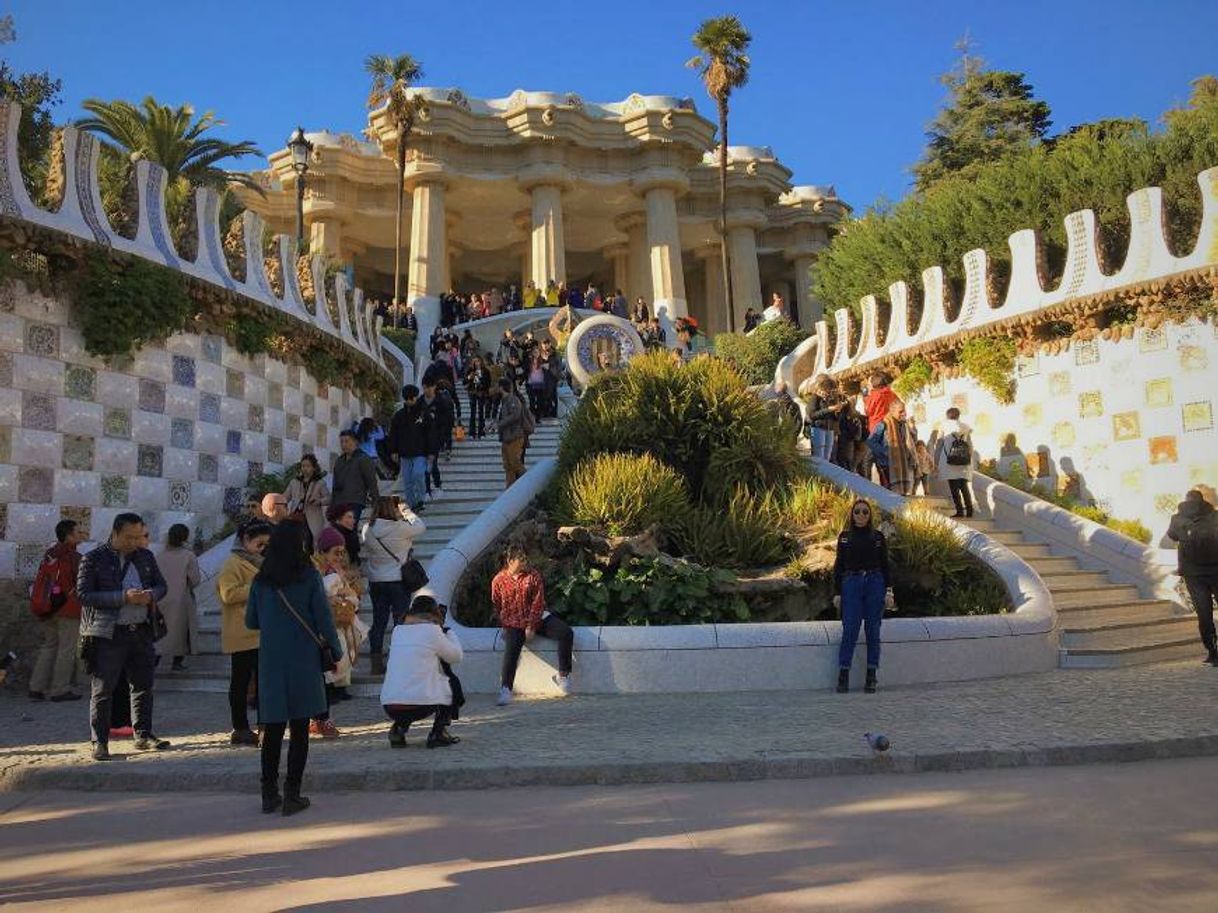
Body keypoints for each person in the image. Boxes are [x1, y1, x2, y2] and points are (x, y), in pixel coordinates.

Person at [246, 522, 343, 815]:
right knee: (300, 728)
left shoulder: (261, 581)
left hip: (271, 661)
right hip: (303, 658)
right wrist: (336, 652)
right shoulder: (309, 576)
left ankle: (268, 794)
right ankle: (292, 794)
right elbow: (324, 619)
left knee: (272, 729)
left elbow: (251, 621)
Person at [77, 513, 170, 761]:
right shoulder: (93, 559)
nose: (134, 542)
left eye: (138, 537)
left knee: (143, 685)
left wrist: (149, 595)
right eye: (129, 537)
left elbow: (162, 586)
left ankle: (143, 733)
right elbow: (84, 595)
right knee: (103, 689)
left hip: (140, 630)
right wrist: (123, 597)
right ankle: (100, 741)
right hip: (108, 633)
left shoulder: (146, 557)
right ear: (115, 533)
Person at [491, 548, 574, 705]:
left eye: (525, 559)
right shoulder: (498, 580)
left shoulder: (533, 576)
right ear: (510, 561)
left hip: (537, 618)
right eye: (520, 560)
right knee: (511, 649)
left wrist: (531, 626)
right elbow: (497, 604)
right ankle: (506, 688)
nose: (524, 563)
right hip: (513, 622)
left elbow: (538, 602)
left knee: (565, 632)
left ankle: (563, 675)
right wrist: (504, 624)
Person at [380, 594, 464, 748]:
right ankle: (438, 733)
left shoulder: (398, 631)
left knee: (409, 684)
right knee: (452, 684)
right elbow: (455, 657)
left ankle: (398, 729)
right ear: (434, 613)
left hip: (390, 704)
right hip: (420, 706)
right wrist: (448, 632)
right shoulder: (432, 631)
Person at [217, 520, 273, 746]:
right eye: (259, 544)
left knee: (265, 682)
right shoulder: (233, 563)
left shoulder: (266, 563)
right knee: (240, 682)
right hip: (242, 631)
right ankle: (240, 727)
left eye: (267, 544)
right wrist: (257, 587)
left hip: (264, 632)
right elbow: (227, 594)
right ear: (245, 541)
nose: (263, 548)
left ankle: (266, 724)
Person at [833, 499, 893, 694]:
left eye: (865, 512)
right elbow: (839, 566)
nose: (860, 515)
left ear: (870, 515)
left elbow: (885, 565)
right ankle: (843, 674)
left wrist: (889, 591)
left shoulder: (877, 537)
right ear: (852, 514)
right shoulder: (844, 537)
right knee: (850, 628)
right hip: (852, 583)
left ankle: (871, 675)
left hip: (874, 582)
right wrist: (837, 593)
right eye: (857, 512)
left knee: (873, 630)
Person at [362, 496, 427, 675]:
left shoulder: (368, 529)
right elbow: (421, 526)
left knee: (379, 621)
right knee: (400, 620)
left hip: (376, 581)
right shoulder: (399, 527)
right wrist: (406, 511)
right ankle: (399, 659)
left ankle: (376, 662)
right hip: (398, 580)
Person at [28, 519, 85, 702]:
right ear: (69, 535)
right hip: (68, 610)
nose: (81, 534)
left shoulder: (50, 554)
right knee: (66, 649)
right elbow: (82, 584)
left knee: (49, 646)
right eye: (78, 531)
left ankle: (36, 688)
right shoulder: (74, 557)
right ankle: (60, 689)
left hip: (48, 608)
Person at [313, 527, 365, 708]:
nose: (340, 557)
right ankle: (331, 687)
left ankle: (341, 686)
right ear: (323, 551)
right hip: (329, 618)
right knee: (335, 652)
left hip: (343, 616)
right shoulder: (316, 568)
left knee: (346, 651)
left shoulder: (336, 568)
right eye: (336, 553)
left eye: (342, 553)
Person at [1167, 489, 1218, 665]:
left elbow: (1172, 536)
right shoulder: (1214, 515)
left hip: (1193, 573)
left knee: (1204, 614)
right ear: (1202, 500)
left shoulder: (1177, 518)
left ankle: (1213, 652)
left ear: (1186, 500)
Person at [157, 524, 201, 672]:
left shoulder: (159, 556)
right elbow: (195, 579)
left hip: (162, 598)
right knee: (181, 630)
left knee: (161, 629)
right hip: (182, 598)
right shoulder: (188, 556)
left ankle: (155, 660)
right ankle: (177, 661)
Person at [389, 385, 429, 511]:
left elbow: (430, 432)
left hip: (420, 451)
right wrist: (394, 450)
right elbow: (393, 433)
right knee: (407, 480)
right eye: (407, 399)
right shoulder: (399, 416)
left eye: (412, 398)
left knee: (418, 474)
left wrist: (431, 451)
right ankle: (413, 504)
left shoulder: (424, 413)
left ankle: (421, 498)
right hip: (404, 452)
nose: (410, 401)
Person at [867, 400, 919, 495]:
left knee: (901, 495)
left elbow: (912, 442)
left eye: (904, 411)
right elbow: (871, 441)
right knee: (888, 494)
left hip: (901, 465)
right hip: (886, 464)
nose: (904, 414)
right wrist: (886, 451)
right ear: (892, 411)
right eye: (900, 411)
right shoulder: (884, 424)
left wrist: (913, 429)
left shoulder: (904, 425)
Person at [284, 454, 331, 552]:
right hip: (296, 516)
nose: (305, 469)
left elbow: (328, 498)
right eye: (303, 466)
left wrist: (319, 501)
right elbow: (285, 497)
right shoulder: (294, 482)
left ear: (314, 468)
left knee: (310, 543)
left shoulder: (320, 482)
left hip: (312, 517)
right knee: (296, 542)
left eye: (308, 466)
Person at [934, 407, 975, 518]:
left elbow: (938, 444)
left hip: (949, 461)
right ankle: (970, 510)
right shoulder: (965, 427)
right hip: (963, 461)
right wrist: (969, 459)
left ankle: (960, 510)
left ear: (947, 416)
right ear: (958, 415)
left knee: (954, 487)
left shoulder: (943, 426)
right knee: (963, 486)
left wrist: (936, 461)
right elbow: (970, 445)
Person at [330, 430, 379, 522]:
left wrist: (376, 504)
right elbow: (335, 484)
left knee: (350, 531)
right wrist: (332, 505)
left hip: (355, 502)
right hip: (340, 502)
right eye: (342, 442)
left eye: (347, 441)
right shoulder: (339, 461)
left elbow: (372, 482)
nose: (344, 445)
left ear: (355, 442)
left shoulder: (364, 459)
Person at [497, 377, 531, 488]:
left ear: (501, 388)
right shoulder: (504, 401)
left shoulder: (513, 400)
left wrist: (501, 423)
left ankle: (530, 483)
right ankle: (510, 489)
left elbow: (515, 415)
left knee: (514, 462)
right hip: (506, 437)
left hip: (514, 436)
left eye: (497, 386)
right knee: (508, 465)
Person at [803, 374, 847, 461]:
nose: (828, 393)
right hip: (818, 428)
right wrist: (828, 409)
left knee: (827, 458)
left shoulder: (830, 399)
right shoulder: (815, 398)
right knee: (819, 457)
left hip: (830, 429)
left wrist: (837, 411)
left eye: (830, 391)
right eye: (827, 390)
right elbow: (812, 415)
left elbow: (836, 418)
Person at [325, 503, 362, 569]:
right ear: (338, 520)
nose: (353, 521)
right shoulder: (336, 538)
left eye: (353, 517)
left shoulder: (350, 534)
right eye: (349, 517)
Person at [464, 356, 492, 440]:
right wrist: (469, 377)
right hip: (472, 392)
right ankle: (472, 432)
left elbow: (488, 382)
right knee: (473, 412)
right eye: (475, 362)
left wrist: (480, 380)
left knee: (481, 412)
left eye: (478, 361)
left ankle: (481, 432)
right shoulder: (470, 370)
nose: (477, 363)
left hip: (481, 393)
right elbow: (464, 381)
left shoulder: (486, 371)